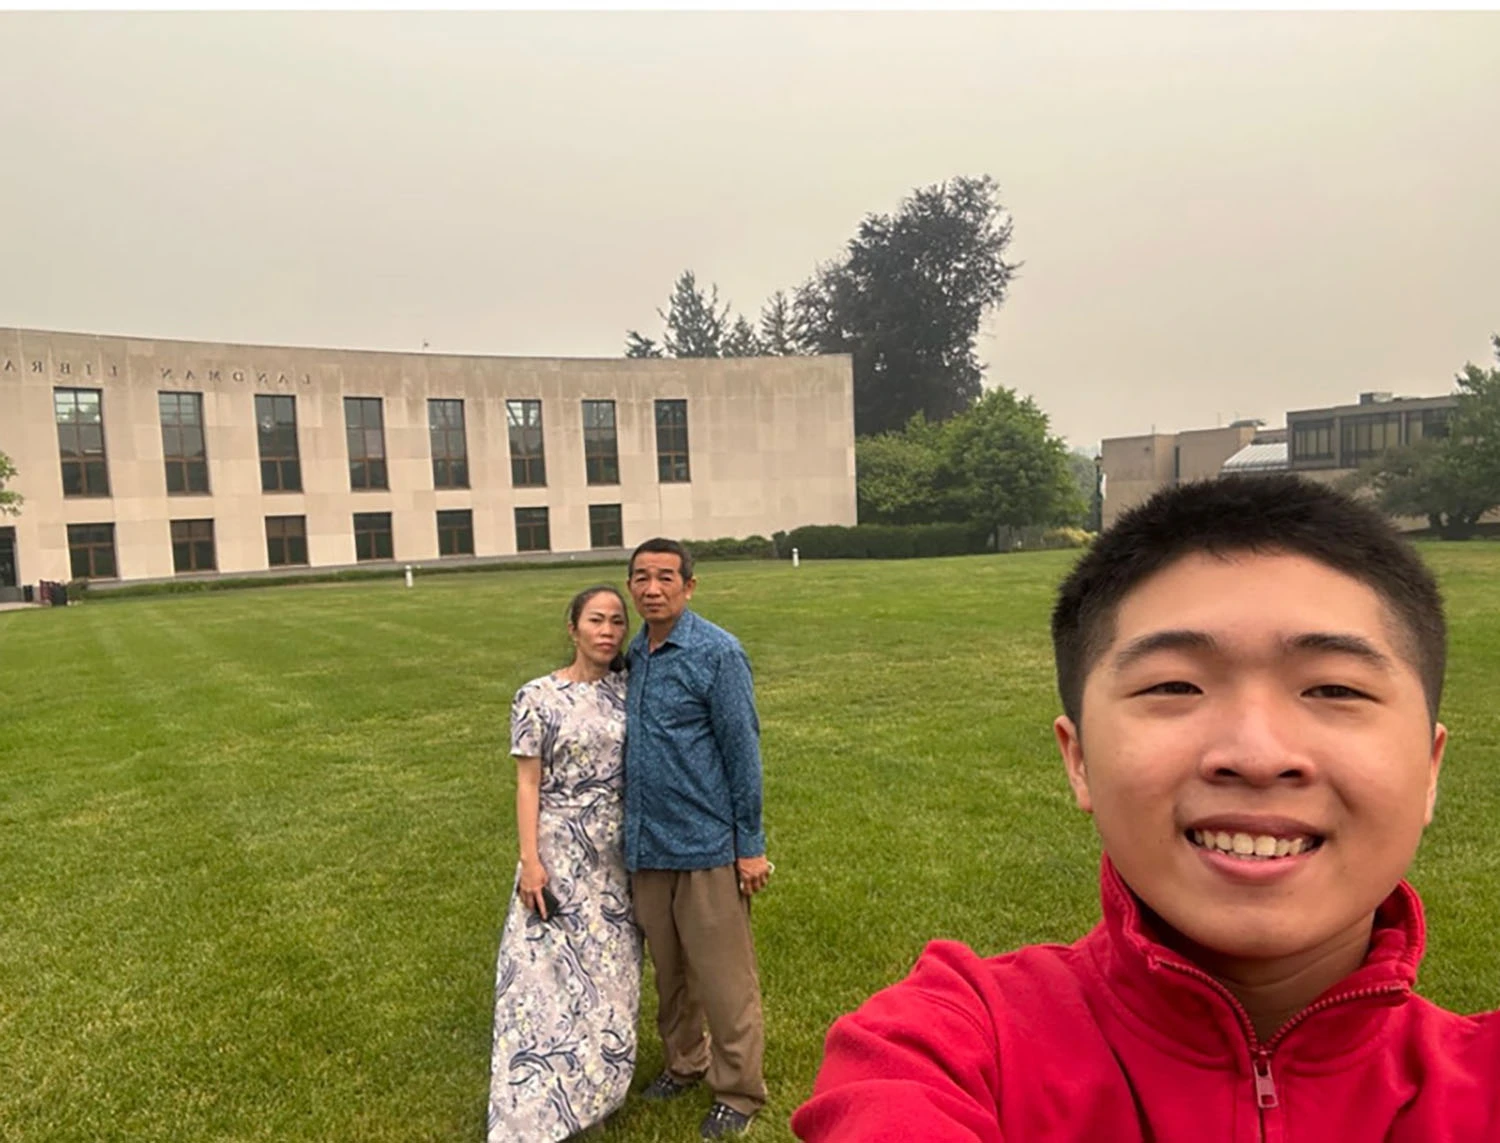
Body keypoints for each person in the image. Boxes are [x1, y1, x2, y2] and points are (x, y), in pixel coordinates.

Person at [793, 473, 1500, 1141]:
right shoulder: (951, 1045)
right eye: (1175, 686)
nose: (1256, 753)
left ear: (1430, 766)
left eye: (1334, 689)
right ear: (1079, 759)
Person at [623, 537, 771, 1139]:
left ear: (689, 585)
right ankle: (684, 1062)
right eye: (640, 578)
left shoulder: (717, 653)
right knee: (671, 972)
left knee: (724, 978)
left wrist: (750, 844)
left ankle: (738, 1091)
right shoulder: (636, 653)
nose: (651, 589)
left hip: (706, 843)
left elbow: (743, 752)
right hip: (647, 845)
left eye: (665, 577)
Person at [487, 586, 643, 1142]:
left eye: (618, 622)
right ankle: (534, 1105)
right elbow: (528, 783)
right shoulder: (536, 697)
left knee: (610, 975)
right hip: (557, 853)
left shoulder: (632, 692)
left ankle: (596, 1090)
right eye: (596, 620)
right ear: (573, 627)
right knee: (542, 977)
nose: (608, 631)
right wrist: (530, 860)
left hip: (618, 852)